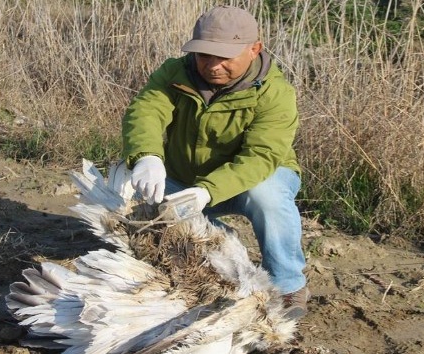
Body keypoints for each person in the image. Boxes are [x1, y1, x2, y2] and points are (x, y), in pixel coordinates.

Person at [121, 5, 309, 319]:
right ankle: (226, 246)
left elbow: (261, 156)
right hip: (185, 177)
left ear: (254, 50)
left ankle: (289, 287)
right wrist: (148, 156)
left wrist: (208, 191)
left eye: (224, 57)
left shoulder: (275, 93)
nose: (212, 66)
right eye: (204, 55)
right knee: (133, 200)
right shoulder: (175, 73)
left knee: (268, 198)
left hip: (255, 178)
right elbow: (146, 111)